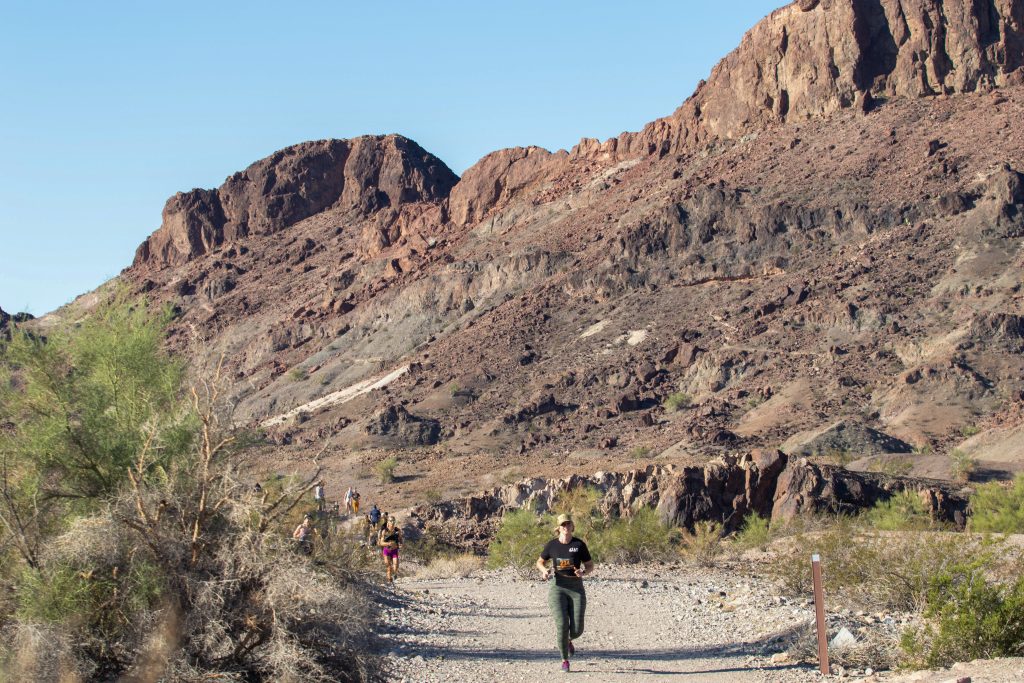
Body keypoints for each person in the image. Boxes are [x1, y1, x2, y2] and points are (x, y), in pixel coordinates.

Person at [536, 513, 593, 672]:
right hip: (557, 587)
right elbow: (540, 562)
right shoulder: (552, 545)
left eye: (569, 524)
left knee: (577, 629)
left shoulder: (579, 545)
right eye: (563, 525)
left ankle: (568, 640)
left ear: (572, 526)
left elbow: (590, 565)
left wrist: (584, 572)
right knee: (561, 625)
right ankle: (564, 660)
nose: (566, 527)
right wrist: (544, 571)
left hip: (576, 588)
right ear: (559, 528)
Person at [378, 516, 403, 583]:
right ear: (388, 522)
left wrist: (401, 543)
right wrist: (388, 544)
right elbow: (381, 543)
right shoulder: (384, 531)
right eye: (391, 521)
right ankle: (389, 581)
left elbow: (400, 539)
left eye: (393, 521)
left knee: (396, 565)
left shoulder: (397, 530)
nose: (392, 522)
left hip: (394, 550)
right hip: (387, 551)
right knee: (389, 567)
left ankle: (394, 574)